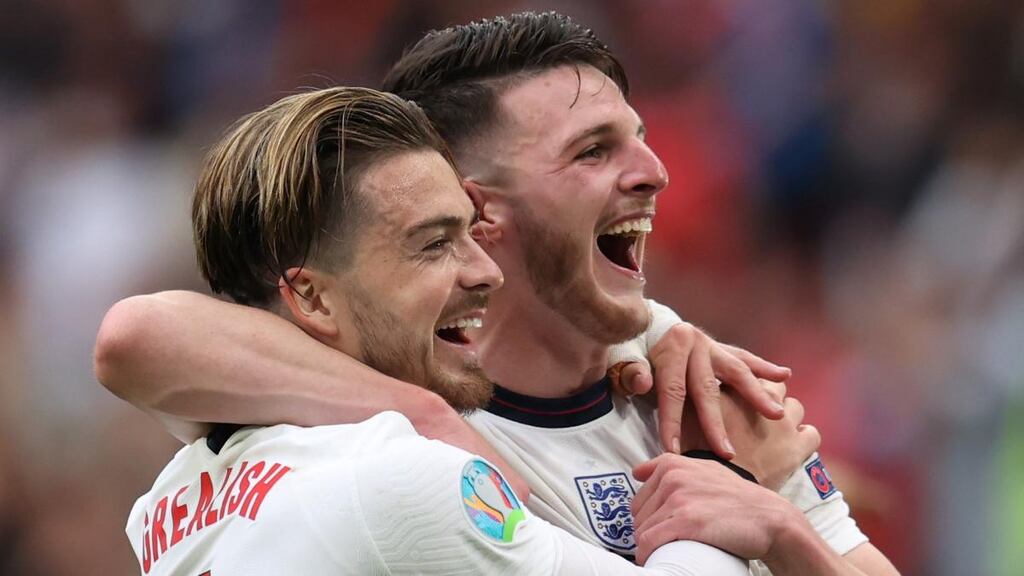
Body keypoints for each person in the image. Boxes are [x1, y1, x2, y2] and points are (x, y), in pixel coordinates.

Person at [96, 12, 899, 576]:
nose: (655, 173)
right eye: (592, 151)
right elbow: (140, 339)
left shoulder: (694, 391)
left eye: (640, 138)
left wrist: (787, 535)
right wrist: (425, 415)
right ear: (477, 209)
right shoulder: (365, 416)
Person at [124, 85, 761, 575]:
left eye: (469, 232)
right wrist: (724, 473)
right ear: (311, 297)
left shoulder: (171, 498)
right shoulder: (399, 476)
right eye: (433, 245)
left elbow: (141, 339)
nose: (486, 271)